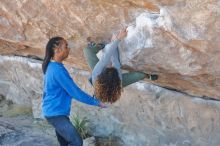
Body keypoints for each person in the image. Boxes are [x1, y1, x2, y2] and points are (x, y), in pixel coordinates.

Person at [42, 36, 105, 146]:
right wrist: (96, 102)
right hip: (55, 115)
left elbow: (46, 91)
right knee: (76, 141)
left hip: (53, 112)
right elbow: (75, 92)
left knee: (65, 143)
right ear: (57, 50)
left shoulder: (52, 66)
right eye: (66, 46)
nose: (69, 49)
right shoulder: (57, 70)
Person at [83, 29, 158, 103]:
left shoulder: (96, 75)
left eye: (109, 66)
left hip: (103, 79)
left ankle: (100, 46)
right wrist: (114, 42)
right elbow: (116, 63)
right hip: (116, 84)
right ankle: (147, 76)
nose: (109, 65)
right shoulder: (118, 81)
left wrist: (117, 40)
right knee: (139, 75)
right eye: (111, 66)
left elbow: (106, 58)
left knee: (87, 50)